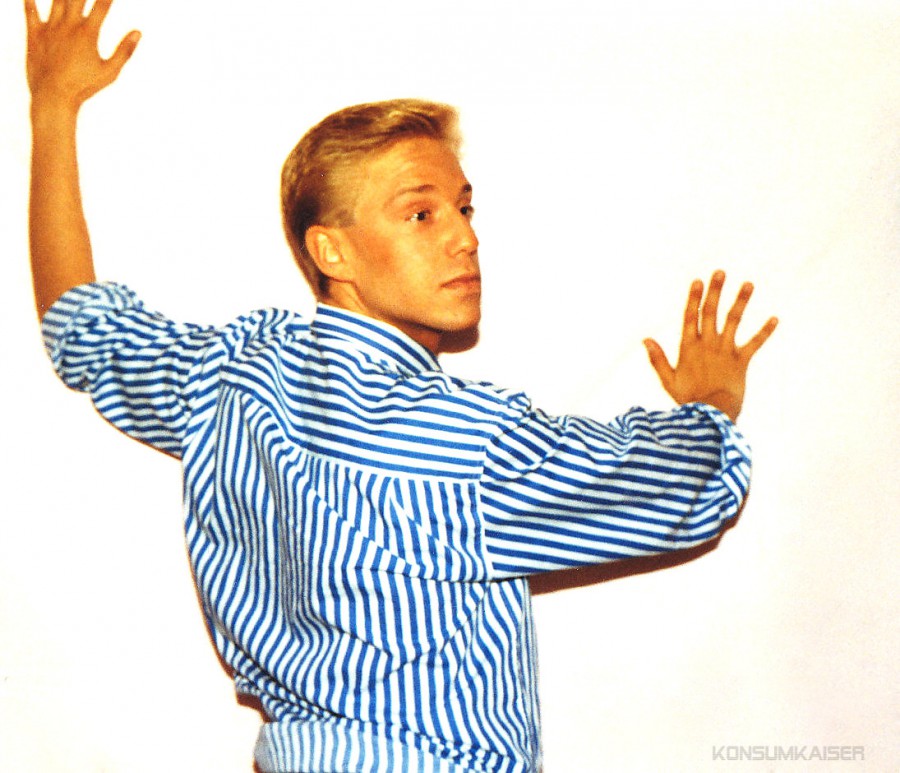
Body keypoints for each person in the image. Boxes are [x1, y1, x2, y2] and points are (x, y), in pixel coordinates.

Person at [26, 1, 778, 771]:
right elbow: (690, 486)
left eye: (463, 206)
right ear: (332, 251)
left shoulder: (235, 373)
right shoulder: (464, 441)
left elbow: (78, 324)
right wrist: (712, 403)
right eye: (419, 213)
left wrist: (51, 107)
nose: (465, 236)